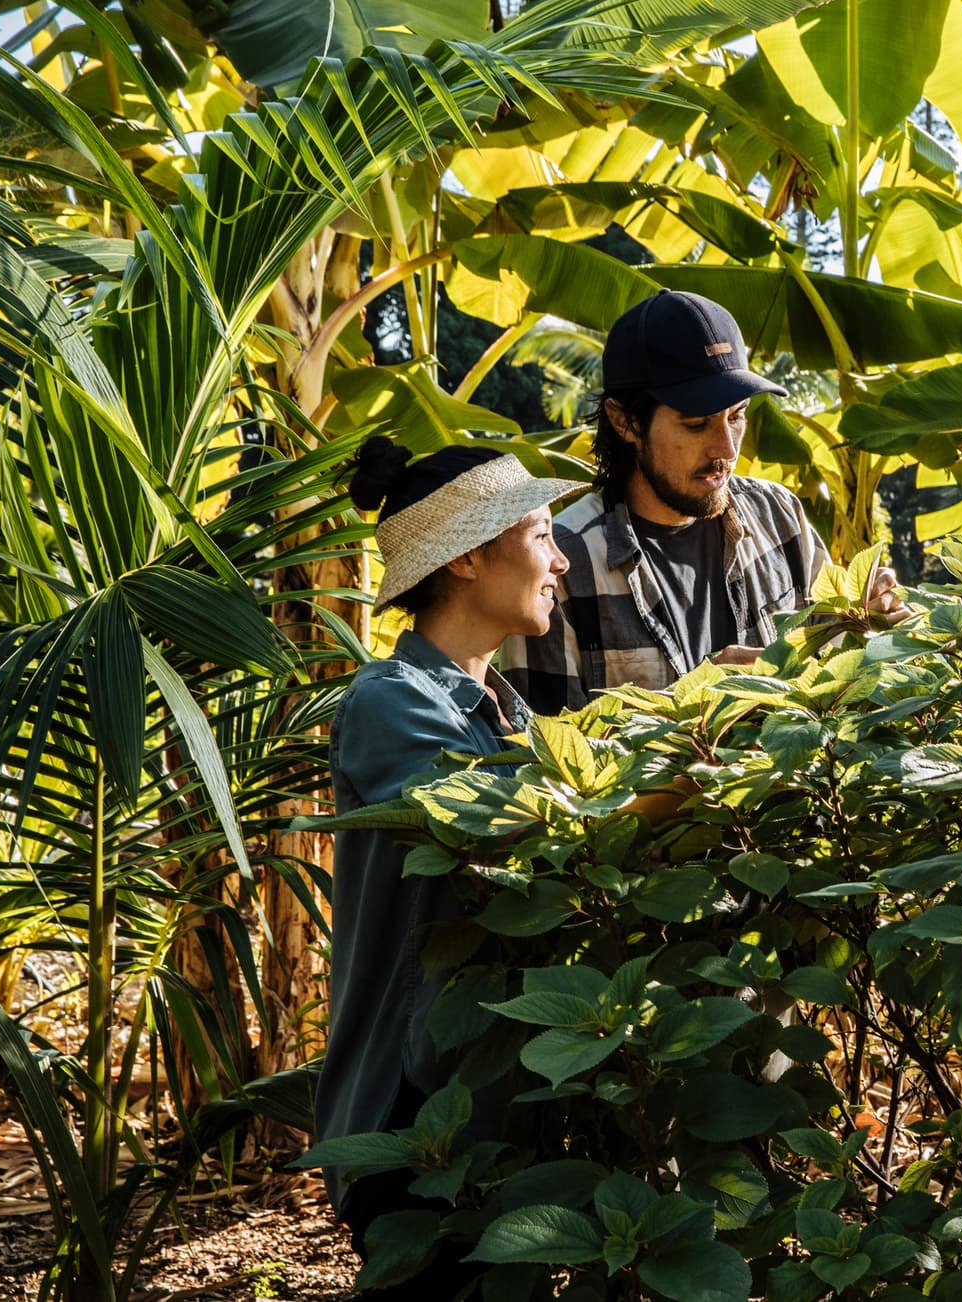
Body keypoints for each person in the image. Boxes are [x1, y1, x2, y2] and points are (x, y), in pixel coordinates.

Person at [314, 436, 572, 1297]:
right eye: (540, 534)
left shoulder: (504, 709)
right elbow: (516, 838)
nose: (560, 560)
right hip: (413, 1115)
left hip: (489, 1109)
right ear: (467, 556)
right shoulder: (389, 702)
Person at [499, 289, 908, 715]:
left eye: (737, 416)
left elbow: (840, 668)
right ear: (625, 421)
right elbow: (541, 752)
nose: (727, 448)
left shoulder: (780, 516)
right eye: (697, 424)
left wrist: (871, 621)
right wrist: (691, 701)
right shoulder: (562, 565)